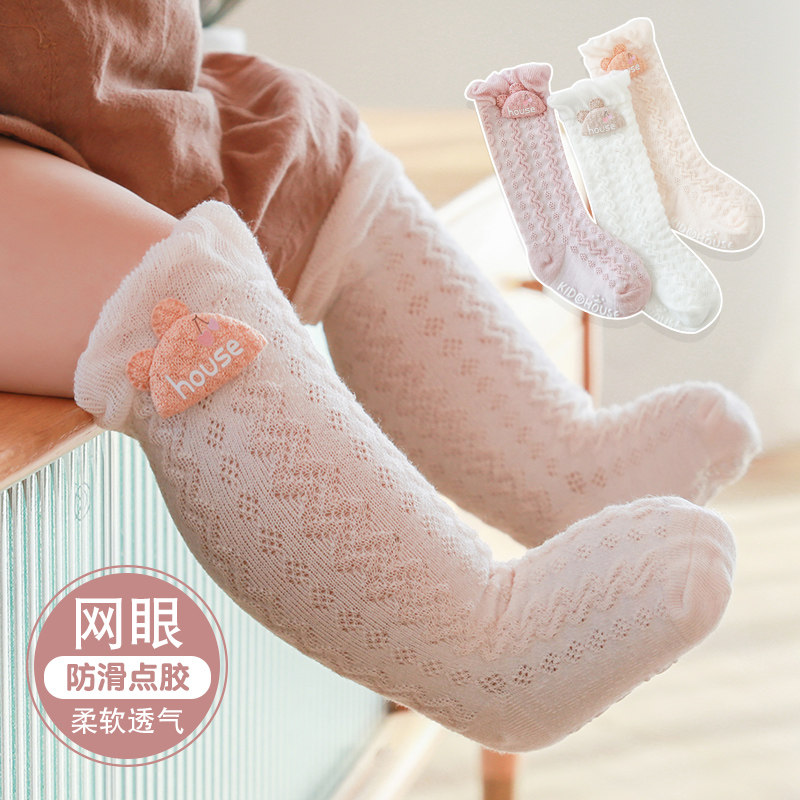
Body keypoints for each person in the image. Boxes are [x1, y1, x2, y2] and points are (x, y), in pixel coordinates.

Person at [0, 1, 760, 752]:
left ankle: (563, 465)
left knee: (316, 151)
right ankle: (477, 652)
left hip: (121, 88)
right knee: (180, 298)